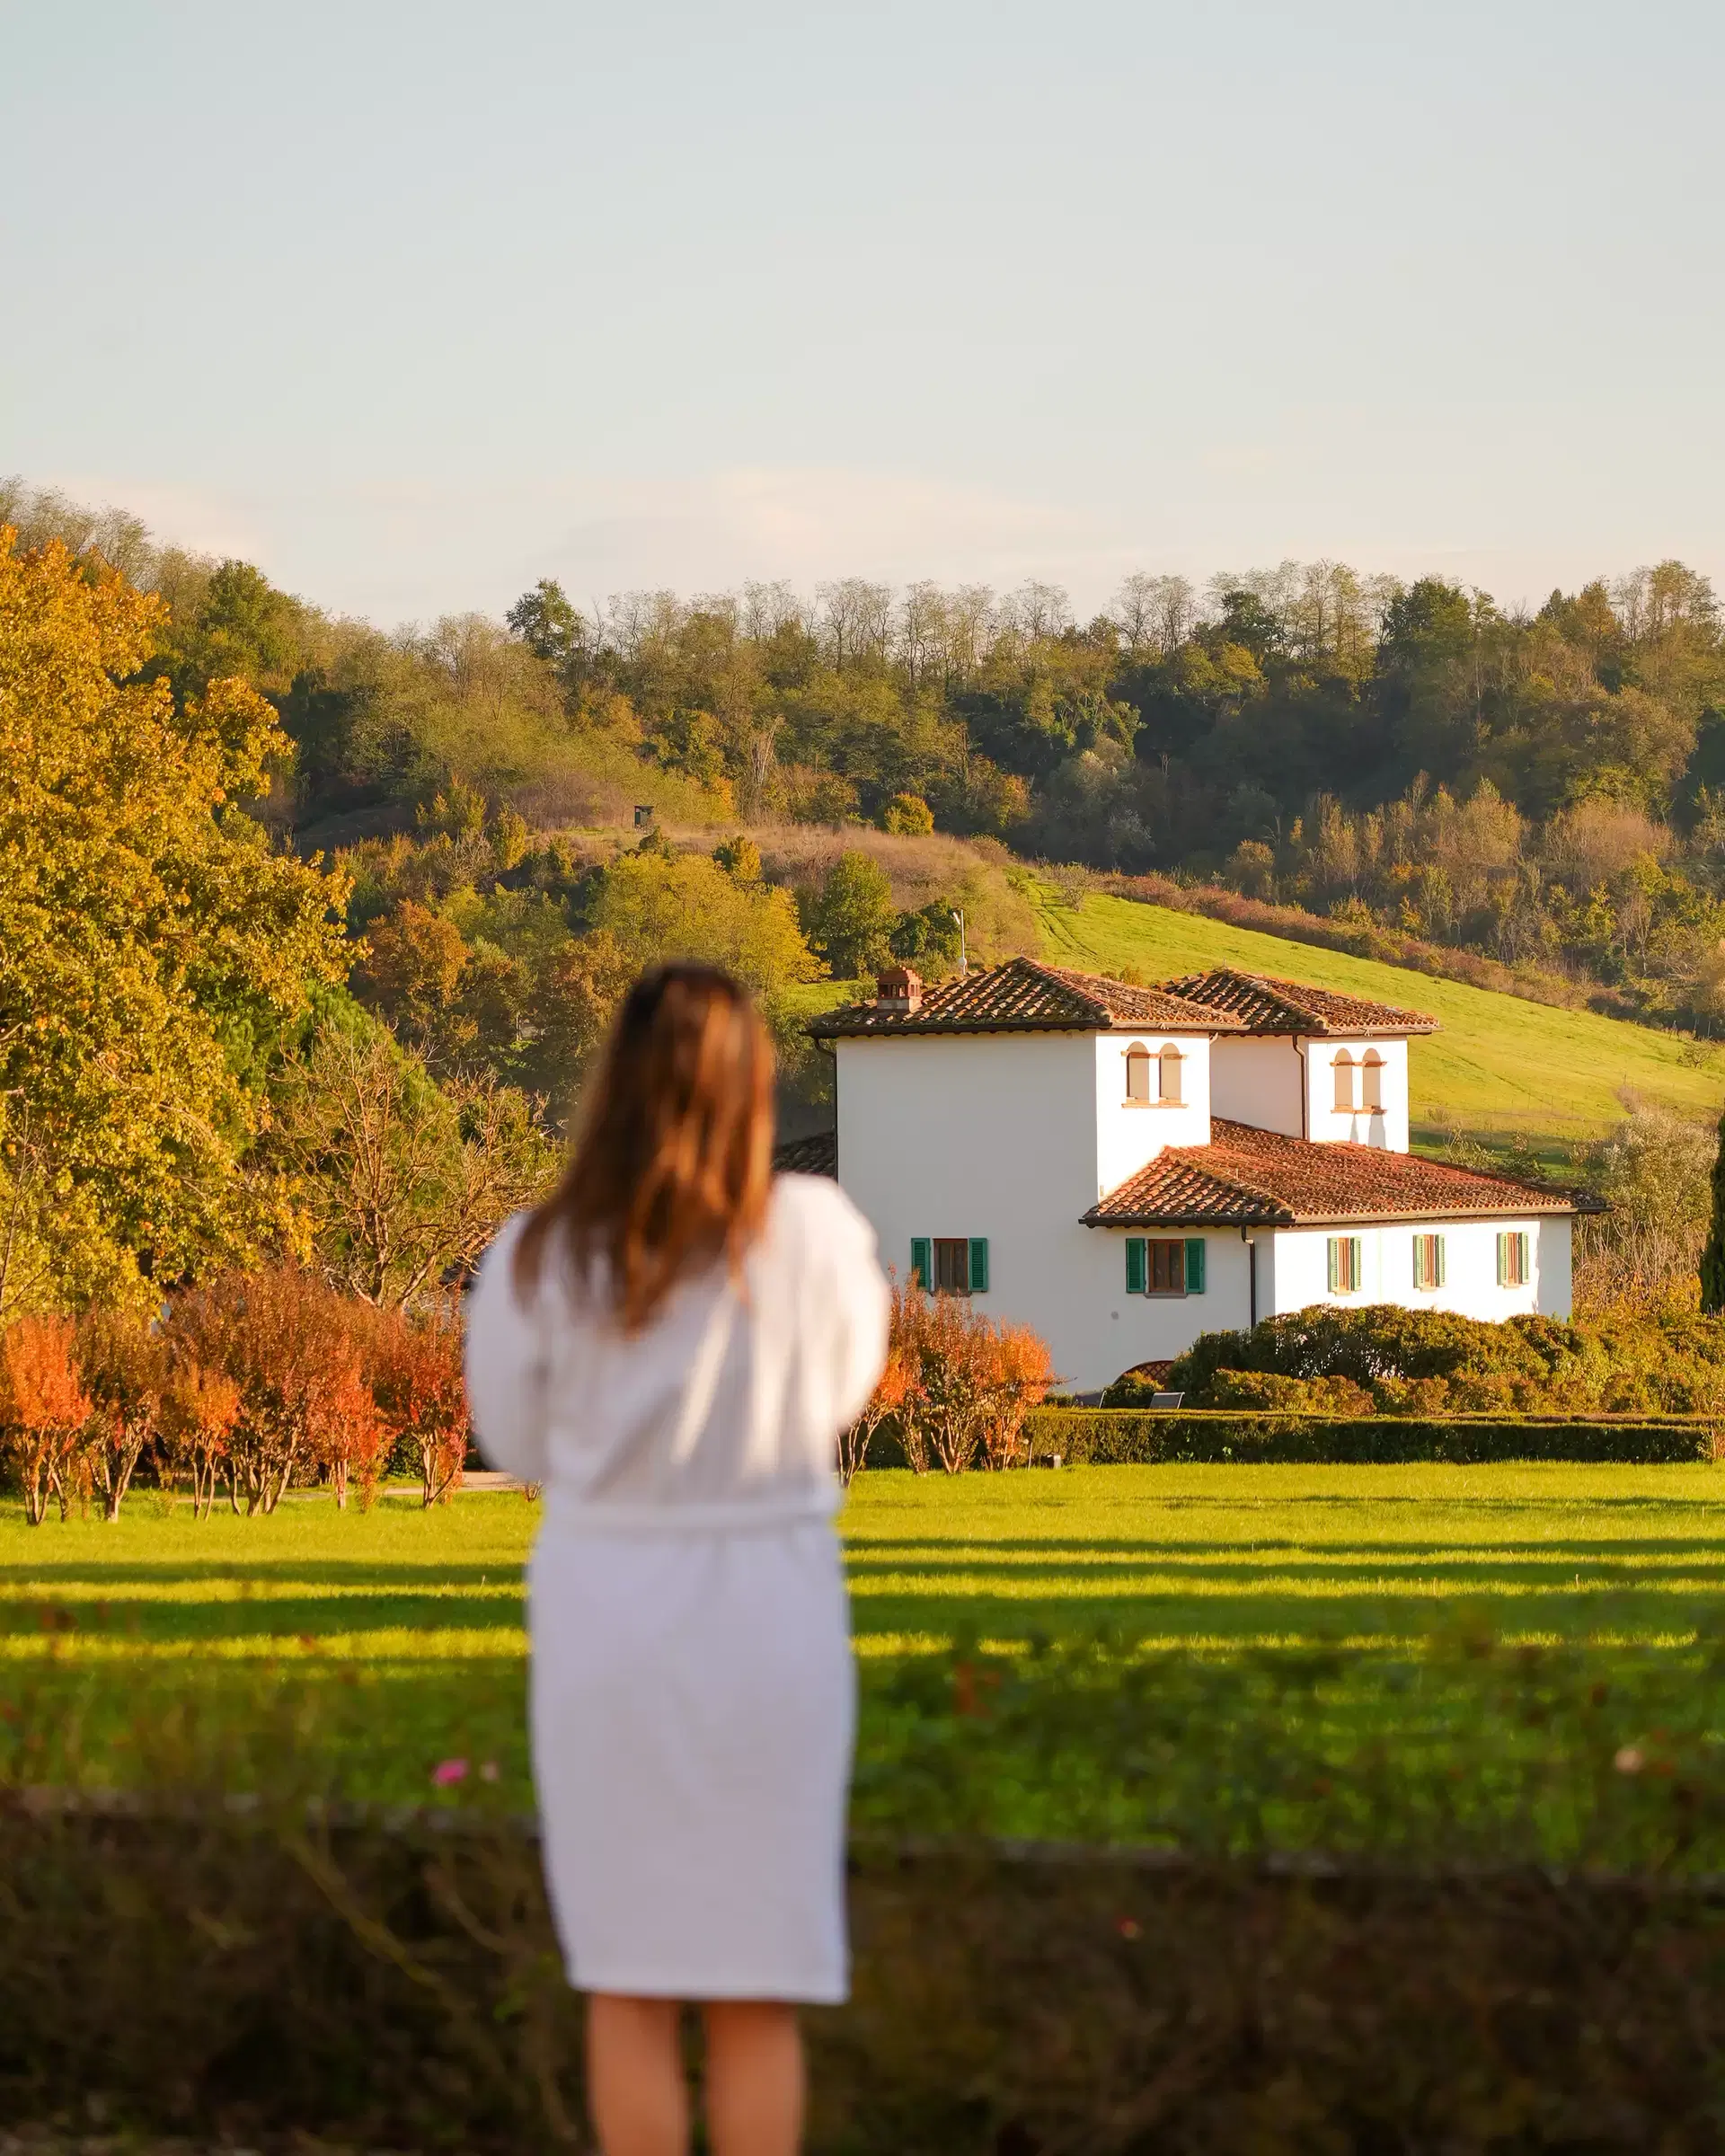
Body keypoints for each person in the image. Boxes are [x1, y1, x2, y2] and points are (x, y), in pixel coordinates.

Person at [464, 962, 889, 2156]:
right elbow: (846, 1388)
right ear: (754, 1086)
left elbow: (515, 1432)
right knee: (759, 1986)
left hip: (613, 1610)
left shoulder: (546, 1254)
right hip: (770, 1608)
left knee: (631, 1977)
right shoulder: (810, 1232)